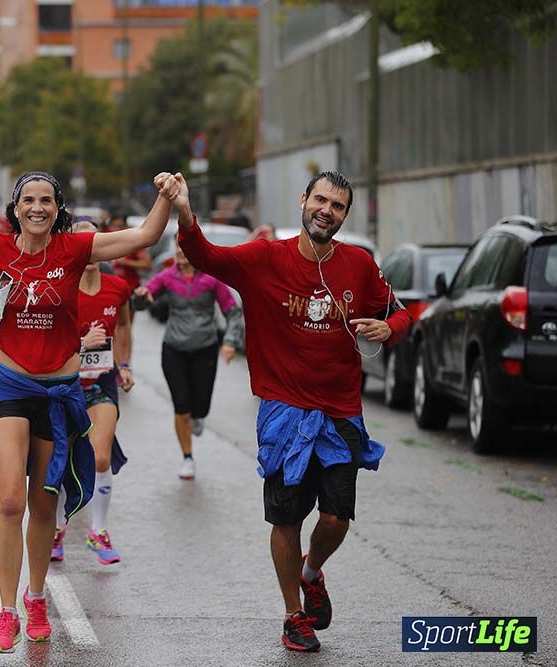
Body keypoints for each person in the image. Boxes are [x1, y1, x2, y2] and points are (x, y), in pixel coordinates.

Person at [0, 145, 181, 654]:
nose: (38, 208)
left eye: (47, 200)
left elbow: (146, 236)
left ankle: (37, 598)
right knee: (10, 501)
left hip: (61, 390)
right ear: (16, 207)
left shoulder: (76, 248)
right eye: (29, 200)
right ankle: (6, 613)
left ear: (57, 208)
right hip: (10, 384)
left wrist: (166, 198)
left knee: (45, 505)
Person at [174, 170, 413, 652]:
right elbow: (204, 255)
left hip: (341, 410)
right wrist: (183, 211)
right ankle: (292, 616)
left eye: (338, 206)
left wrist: (391, 331)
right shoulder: (265, 259)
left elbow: (401, 311)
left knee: (336, 518)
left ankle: (311, 571)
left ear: (344, 215)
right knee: (285, 520)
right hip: (283, 410)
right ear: (303, 201)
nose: (327, 210)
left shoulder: (360, 265)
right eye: (320, 199)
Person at [51, 221, 134, 566]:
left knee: (100, 458)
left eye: (95, 243)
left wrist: (125, 363)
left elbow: (125, 326)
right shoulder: (59, 289)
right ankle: (56, 528)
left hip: (101, 384)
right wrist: (82, 345)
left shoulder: (118, 288)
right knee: (61, 462)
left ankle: (97, 531)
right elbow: (46, 341)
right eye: (82, 243)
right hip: (64, 385)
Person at [134, 243, 243, 481]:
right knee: (181, 407)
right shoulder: (167, 277)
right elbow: (144, 300)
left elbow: (233, 312)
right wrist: (141, 297)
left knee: (200, 407)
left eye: (186, 248)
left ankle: (198, 415)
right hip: (174, 348)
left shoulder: (212, 279)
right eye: (179, 249)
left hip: (205, 348)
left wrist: (230, 342)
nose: (181, 253)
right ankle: (187, 458)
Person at [105, 214, 152, 292]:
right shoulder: (104, 242)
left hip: (130, 290)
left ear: (125, 227)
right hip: (110, 290)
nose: (117, 229)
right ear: (109, 227)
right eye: (114, 226)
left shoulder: (133, 243)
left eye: (120, 226)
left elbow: (148, 264)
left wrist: (125, 262)